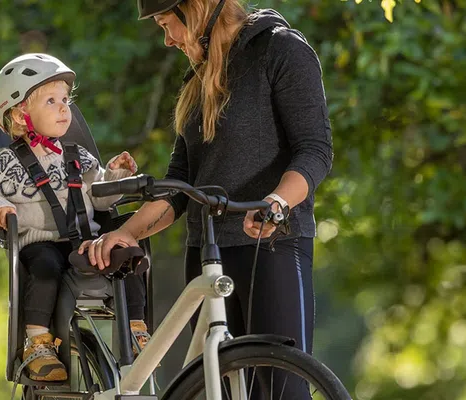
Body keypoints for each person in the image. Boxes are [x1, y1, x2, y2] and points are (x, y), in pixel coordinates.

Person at [81, 1, 333, 397]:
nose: (167, 40)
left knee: (283, 390)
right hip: (207, 253)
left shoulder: (281, 49)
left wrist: (277, 202)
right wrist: (126, 233)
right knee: (220, 386)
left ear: (197, 9)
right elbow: (180, 183)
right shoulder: (196, 79)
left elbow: (315, 151)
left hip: (273, 242)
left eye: (168, 25)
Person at [0, 53, 151, 382]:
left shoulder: (78, 156)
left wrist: (114, 175)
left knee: (126, 250)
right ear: (21, 116)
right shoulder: (4, 164)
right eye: (51, 101)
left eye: (65, 99)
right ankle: (37, 342)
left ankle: (136, 327)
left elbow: (100, 197)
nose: (65, 108)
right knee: (46, 267)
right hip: (41, 243)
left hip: (85, 241)